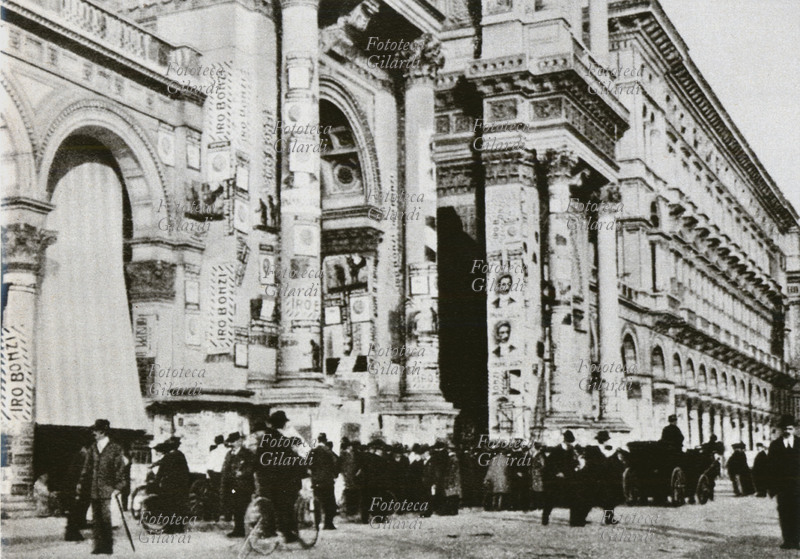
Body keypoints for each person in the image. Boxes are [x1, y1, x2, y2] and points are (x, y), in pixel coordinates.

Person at [254, 411, 306, 543]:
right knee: (286, 507)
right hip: (283, 481)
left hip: (266, 481)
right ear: (283, 424)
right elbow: (292, 460)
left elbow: (258, 460)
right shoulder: (283, 440)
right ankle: (288, 534)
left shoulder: (264, 439)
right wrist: (304, 469)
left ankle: (269, 530)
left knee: (270, 506)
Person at [77, 419, 127, 555]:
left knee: (106, 519)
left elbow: (120, 469)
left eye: (95, 431)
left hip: (108, 489)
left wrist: (118, 487)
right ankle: (98, 546)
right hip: (94, 489)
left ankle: (107, 547)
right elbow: (86, 468)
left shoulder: (115, 448)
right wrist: (81, 482)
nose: (93, 433)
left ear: (102, 432)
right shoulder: (93, 448)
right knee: (96, 519)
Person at [768, 415, 800, 550]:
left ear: (795, 429)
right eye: (785, 428)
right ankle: (788, 540)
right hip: (783, 487)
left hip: (799, 486)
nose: (787, 431)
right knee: (785, 513)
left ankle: (797, 541)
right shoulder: (775, 445)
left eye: (790, 428)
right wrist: (772, 488)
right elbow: (770, 467)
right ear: (781, 429)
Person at [219, 432, 255, 538]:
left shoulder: (248, 454)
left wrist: (243, 473)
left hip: (243, 485)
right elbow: (225, 469)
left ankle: (242, 529)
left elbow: (252, 467)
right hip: (231, 486)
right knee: (234, 507)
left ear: (240, 441)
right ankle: (238, 529)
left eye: (233, 442)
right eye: (231, 442)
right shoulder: (230, 454)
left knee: (242, 507)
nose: (231, 444)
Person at [542, 430, 579, 526]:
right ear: (565, 440)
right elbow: (550, 463)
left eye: (570, 442)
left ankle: (574, 520)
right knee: (551, 498)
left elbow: (573, 462)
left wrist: (576, 465)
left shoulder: (571, 450)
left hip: (569, 477)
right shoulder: (556, 450)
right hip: (557, 478)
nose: (569, 444)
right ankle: (545, 517)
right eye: (568, 441)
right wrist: (557, 472)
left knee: (573, 498)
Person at [309, 433, 339, 530]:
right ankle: (328, 524)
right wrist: (335, 475)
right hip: (327, 481)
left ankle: (316, 524)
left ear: (318, 440)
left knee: (317, 502)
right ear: (325, 440)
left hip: (316, 481)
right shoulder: (328, 451)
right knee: (329, 503)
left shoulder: (313, 451)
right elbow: (335, 464)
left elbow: (308, 465)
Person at [65, 438, 92, 541]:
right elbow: (79, 473)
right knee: (76, 509)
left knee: (81, 508)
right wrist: (79, 485)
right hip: (78, 486)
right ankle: (72, 533)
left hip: (81, 486)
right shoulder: (82, 456)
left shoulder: (83, 456)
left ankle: (77, 528)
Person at [205, 434, 227, 521]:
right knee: (228, 494)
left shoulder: (213, 452)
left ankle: (215, 515)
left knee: (215, 496)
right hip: (226, 475)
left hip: (216, 476)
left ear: (216, 442)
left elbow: (209, 467)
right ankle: (227, 515)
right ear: (223, 441)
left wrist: (210, 479)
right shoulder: (228, 451)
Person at [442, 444, 462, 515]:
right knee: (453, 495)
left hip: (453, 480)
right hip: (455, 479)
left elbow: (451, 471)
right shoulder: (455, 458)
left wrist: (449, 480)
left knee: (451, 495)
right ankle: (453, 510)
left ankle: (452, 510)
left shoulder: (452, 458)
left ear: (450, 449)